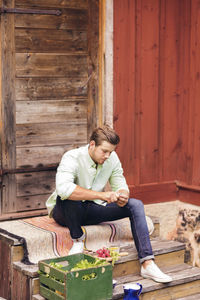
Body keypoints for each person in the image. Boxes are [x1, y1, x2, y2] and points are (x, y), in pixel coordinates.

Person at [46, 125, 172, 283]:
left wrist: (123, 195)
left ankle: (147, 263)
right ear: (92, 145)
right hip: (65, 213)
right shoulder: (72, 157)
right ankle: (77, 241)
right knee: (68, 196)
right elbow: (63, 189)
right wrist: (102, 195)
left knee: (135, 204)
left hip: (92, 209)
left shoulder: (112, 158)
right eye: (104, 151)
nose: (108, 155)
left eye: (111, 151)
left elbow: (120, 182)